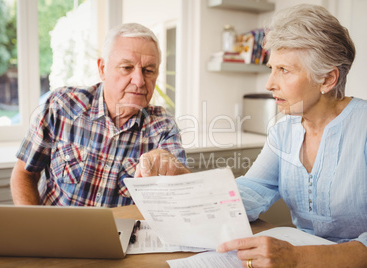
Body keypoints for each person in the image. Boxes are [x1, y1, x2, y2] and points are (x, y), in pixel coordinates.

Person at [138, 4, 367, 267]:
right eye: (272, 68)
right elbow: (249, 192)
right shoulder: (284, 131)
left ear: (327, 79)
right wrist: (183, 178)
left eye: (284, 70)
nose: (269, 83)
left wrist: (298, 257)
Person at [10, 23, 187, 207]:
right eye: (127, 67)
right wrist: (34, 230)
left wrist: (171, 166)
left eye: (148, 70)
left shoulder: (163, 125)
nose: (140, 81)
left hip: (119, 235)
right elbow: (25, 174)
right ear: (102, 68)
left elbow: (185, 188)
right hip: (55, 232)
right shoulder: (61, 105)